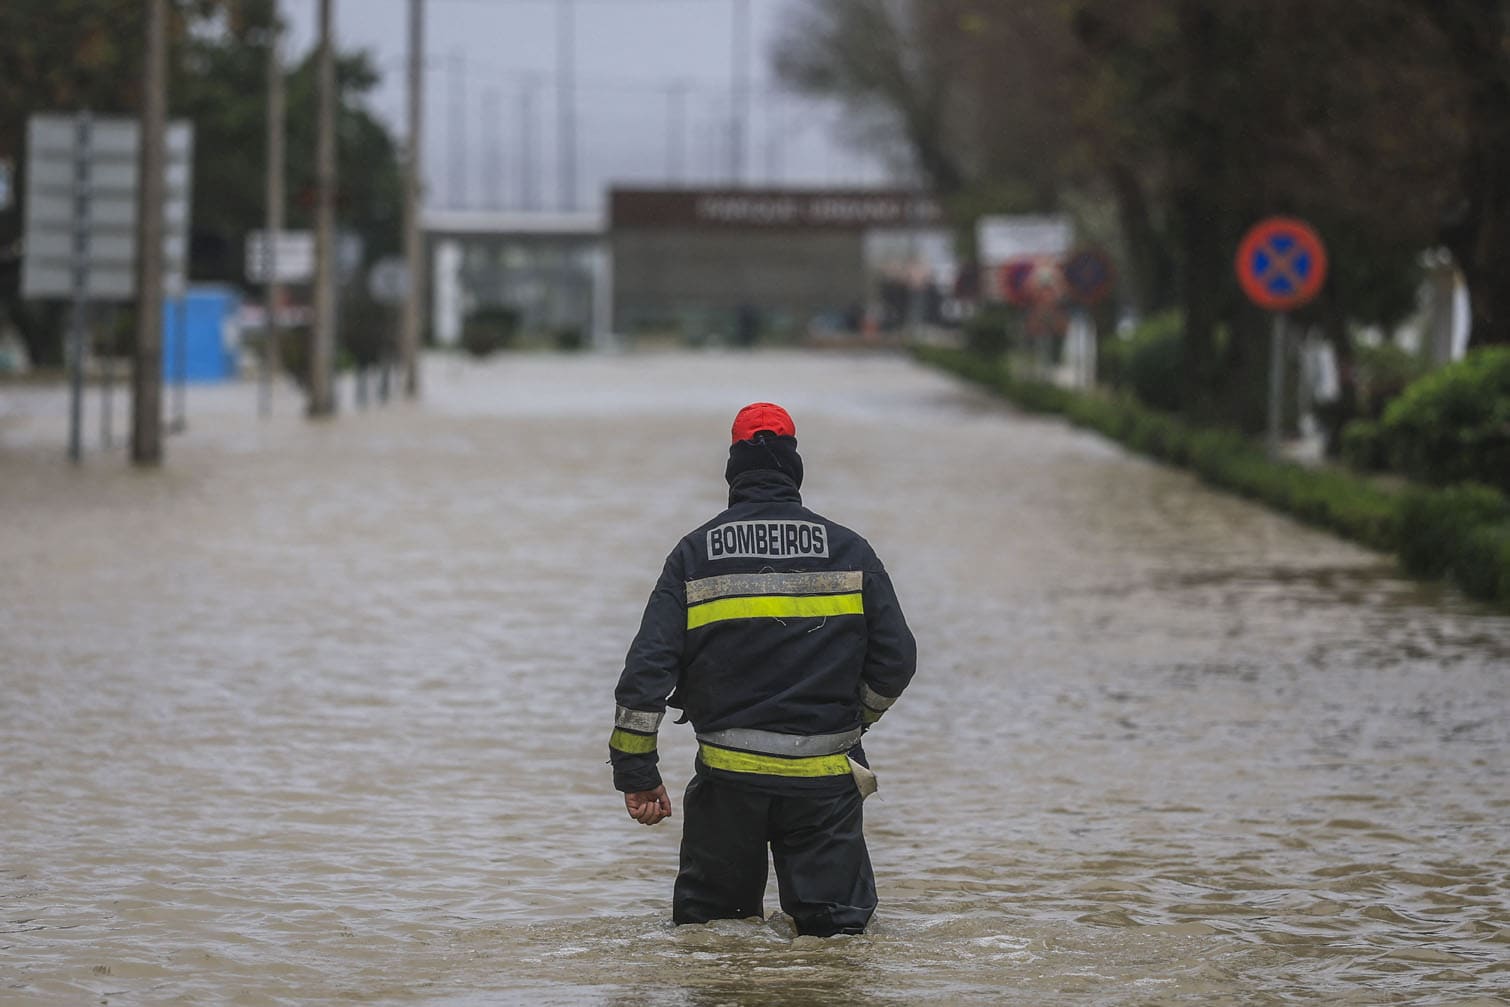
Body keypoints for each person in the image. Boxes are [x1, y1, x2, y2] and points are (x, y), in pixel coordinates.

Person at [608, 402, 917, 937]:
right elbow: (898, 659)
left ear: (734, 472)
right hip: (825, 786)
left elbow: (645, 674)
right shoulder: (850, 551)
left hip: (728, 783)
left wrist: (637, 775)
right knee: (835, 944)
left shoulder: (695, 554)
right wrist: (853, 721)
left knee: (712, 937)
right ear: (794, 470)